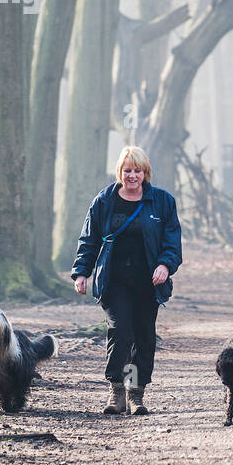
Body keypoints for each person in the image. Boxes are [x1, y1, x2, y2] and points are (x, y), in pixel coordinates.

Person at [72, 146, 182, 416]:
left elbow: (172, 241)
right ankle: (116, 391)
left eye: (137, 171)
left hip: (148, 282)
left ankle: (136, 393)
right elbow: (89, 239)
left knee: (143, 336)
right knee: (121, 332)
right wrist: (81, 272)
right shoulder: (104, 201)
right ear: (120, 172)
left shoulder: (162, 201)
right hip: (114, 280)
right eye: (127, 170)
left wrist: (165, 265)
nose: (132, 176)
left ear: (146, 173)